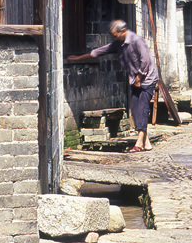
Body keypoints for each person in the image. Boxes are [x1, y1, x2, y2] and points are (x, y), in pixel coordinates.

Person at [67, 19, 159, 152]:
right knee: (135, 108)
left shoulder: (135, 40)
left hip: (147, 79)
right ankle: (147, 143)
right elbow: (99, 51)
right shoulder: (118, 43)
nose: (114, 38)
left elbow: (145, 60)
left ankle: (139, 144)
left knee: (142, 108)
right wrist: (78, 58)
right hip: (135, 80)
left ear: (122, 31)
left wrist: (139, 78)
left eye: (115, 35)